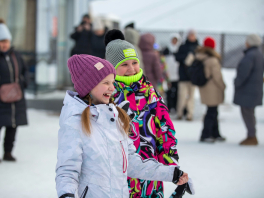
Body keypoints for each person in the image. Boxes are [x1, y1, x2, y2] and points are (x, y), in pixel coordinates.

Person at [55, 55, 190, 198]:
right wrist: (66, 194)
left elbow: (132, 162)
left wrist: (172, 173)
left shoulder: (115, 116)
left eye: (112, 82)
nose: (112, 88)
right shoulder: (75, 121)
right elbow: (67, 170)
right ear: (88, 86)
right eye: (105, 83)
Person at [105, 30, 191, 198]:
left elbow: (164, 130)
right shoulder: (108, 95)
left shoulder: (149, 92)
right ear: (112, 67)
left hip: (150, 174)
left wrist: (170, 167)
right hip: (118, 175)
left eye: (134, 62)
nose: (131, 68)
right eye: (124, 64)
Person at [0, 19, 28, 163]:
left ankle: (8, 152)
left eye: (6, 41)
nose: (4, 44)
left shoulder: (16, 55)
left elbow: (23, 71)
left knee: (12, 126)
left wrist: (23, 83)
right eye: (1, 41)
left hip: (16, 97)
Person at [234, 34, 264, 145]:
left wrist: (237, 83)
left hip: (248, 90)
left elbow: (243, 73)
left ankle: (251, 136)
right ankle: (252, 134)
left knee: (247, 113)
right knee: (250, 113)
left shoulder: (250, 55)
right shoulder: (259, 54)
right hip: (254, 89)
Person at [196, 37, 226, 143]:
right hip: (213, 88)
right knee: (211, 112)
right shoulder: (212, 59)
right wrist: (223, 86)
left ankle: (215, 133)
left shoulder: (200, 56)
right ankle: (206, 134)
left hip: (205, 87)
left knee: (213, 111)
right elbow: (217, 76)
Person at [175, 29, 199, 121]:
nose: (191, 37)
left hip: (193, 77)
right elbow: (177, 57)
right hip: (183, 76)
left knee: (191, 97)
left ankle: (190, 114)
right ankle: (179, 113)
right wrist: (186, 58)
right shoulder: (183, 47)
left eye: (193, 35)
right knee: (181, 96)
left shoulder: (197, 47)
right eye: (190, 35)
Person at [164, 33, 182, 113]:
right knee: (169, 92)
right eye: (173, 40)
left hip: (177, 74)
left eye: (176, 40)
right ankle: (169, 107)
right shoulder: (167, 49)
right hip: (169, 74)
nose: (174, 41)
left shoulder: (180, 49)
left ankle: (175, 107)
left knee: (177, 92)